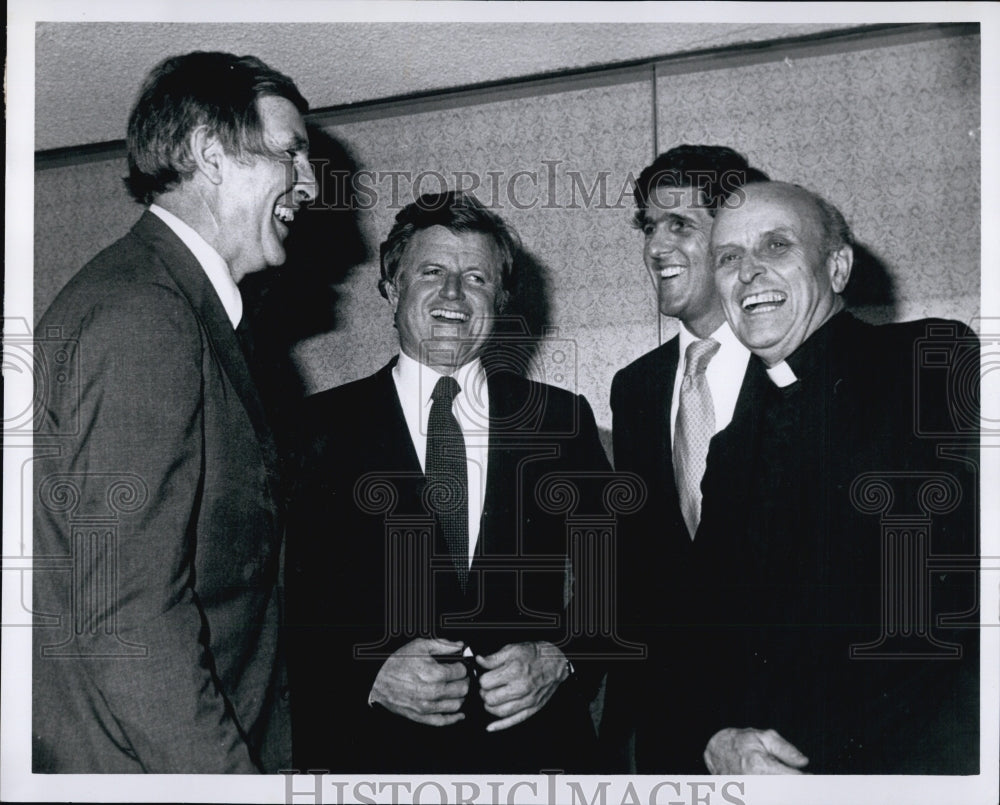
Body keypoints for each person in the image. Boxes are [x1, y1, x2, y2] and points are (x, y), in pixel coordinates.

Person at [32, 51, 317, 773]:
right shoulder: (145, 317)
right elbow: (131, 621)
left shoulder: (175, 308)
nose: (310, 184)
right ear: (207, 155)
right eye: (291, 153)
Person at [286, 190, 611, 773]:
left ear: (503, 297)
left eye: (478, 279)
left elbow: (623, 575)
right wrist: (367, 673)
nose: (455, 294)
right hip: (374, 758)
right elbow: (271, 600)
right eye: (432, 271)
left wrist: (562, 657)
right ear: (391, 285)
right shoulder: (313, 430)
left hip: (535, 759)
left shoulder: (562, 421)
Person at [698, 180, 979, 774]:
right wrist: (721, 733)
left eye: (776, 246)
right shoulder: (728, 448)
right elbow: (710, 628)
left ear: (839, 267)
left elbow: (958, 613)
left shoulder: (931, 361)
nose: (748, 273)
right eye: (728, 258)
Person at [600, 145, 768, 772]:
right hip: (672, 723)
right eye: (649, 226)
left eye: (680, 225)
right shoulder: (635, 387)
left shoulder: (794, 366)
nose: (655, 246)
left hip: (784, 720)